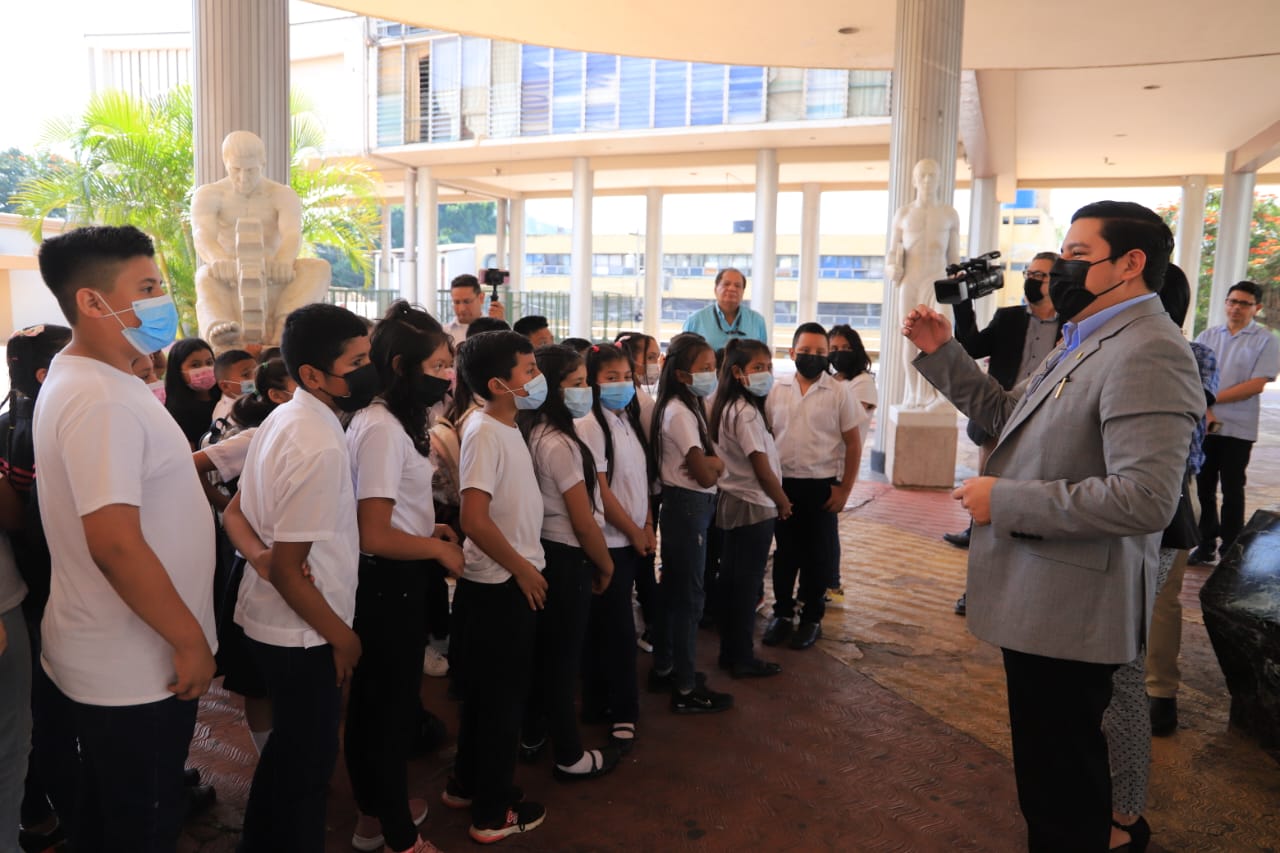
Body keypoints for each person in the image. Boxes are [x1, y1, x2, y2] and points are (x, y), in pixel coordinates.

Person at [903, 200, 1202, 852]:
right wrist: (944, 353)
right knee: (1048, 775)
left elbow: (1146, 497)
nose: (1059, 270)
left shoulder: (1149, 350)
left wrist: (1004, 499)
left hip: (1073, 609)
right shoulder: (1090, 337)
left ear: (1131, 263)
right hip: (1044, 600)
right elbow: (1010, 413)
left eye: (1077, 255)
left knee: (1064, 785)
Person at [33, 224, 218, 850]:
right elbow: (114, 543)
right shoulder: (100, 400)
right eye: (148, 287)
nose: (162, 300)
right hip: (139, 667)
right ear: (91, 302)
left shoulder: (93, 378)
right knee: (141, 824)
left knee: (115, 817)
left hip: (124, 653)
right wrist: (189, 638)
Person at [222, 303, 372, 852]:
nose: (367, 370)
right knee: (305, 772)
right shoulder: (319, 442)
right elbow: (290, 569)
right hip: (305, 633)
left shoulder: (285, 418)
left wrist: (260, 560)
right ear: (312, 375)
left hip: (273, 622)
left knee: (289, 761)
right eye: (356, 361)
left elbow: (234, 515)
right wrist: (344, 637)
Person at [1097, 264, 1215, 853]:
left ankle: (1126, 813)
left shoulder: (1165, 354)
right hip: (1118, 531)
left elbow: (1161, 473)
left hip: (1157, 527)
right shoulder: (1104, 348)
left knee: (1125, 671)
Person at [345, 305, 460, 853]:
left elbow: (392, 511)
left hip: (399, 577)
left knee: (382, 706)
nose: (446, 377)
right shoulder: (381, 429)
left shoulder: (395, 421)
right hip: (388, 583)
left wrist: (426, 524)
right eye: (438, 366)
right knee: (384, 714)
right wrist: (442, 555)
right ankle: (395, 834)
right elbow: (373, 533)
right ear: (401, 365)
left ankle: (375, 817)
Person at [449, 329, 547, 843]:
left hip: (505, 580)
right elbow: (475, 517)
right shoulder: (486, 430)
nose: (538, 378)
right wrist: (524, 570)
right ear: (497, 383)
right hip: (501, 586)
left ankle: (467, 784)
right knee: (501, 705)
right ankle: (491, 815)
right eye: (528, 370)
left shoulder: (504, 425)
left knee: (487, 699)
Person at [517, 344, 620, 780]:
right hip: (566, 556)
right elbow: (582, 520)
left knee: (547, 655)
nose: (585, 392)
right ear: (554, 391)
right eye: (576, 384)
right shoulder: (558, 443)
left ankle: (533, 733)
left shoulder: (534, 431)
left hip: (547, 551)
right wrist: (606, 564)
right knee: (562, 661)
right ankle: (570, 754)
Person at [944, 252, 1063, 615]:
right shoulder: (1009, 317)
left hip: (1048, 427)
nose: (1033, 280)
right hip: (1000, 422)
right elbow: (971, 348)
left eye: (1041, 275)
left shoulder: (1074, 326)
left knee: (1028, 509)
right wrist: (961, 300)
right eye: (1030, 273)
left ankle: (1026, 593)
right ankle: (977, 591)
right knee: (988, 504)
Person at [0, 324, 72, 852]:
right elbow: (26, 522)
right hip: (39, 591)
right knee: (37, 718)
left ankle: (35, 811)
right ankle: (47, 811)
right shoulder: (39, 429)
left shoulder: (12, 422)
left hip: (29, 590)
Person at [1146, 267, 1218, 738]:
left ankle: (1159, 694)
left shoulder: (1194, 355)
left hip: (1170, 488)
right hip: (1121, 485)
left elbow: (1198, 406)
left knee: (1161, 596)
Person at [763, 323, 864, 651]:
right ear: (792, 353)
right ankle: (781, 613)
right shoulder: (776, 389)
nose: (813, 358)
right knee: (785, 554)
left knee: (817, 555)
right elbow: (765, 435)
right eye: (805, 352)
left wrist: (845, 489)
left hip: (822, 487)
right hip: (783, 487)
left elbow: (853, 443)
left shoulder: (839, 392)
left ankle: (811, 618)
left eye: (821, 353)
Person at [647, 333, 733, 713]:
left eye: (714, 368)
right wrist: (717, 465)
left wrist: (713, 465)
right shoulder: (680, 413)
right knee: (688, 598)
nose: (711, 375)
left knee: (676, 591)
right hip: (688, 506)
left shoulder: (687, 404)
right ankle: (685, 687)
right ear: (682, 375)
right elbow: (704, 473)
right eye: (704, 369)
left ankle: (666, 665)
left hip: (687, 506)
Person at [578, 343, 654, 752]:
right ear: (592, 381)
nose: (622, 384)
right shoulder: (591, 424)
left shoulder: (625, 419)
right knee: (616, 630)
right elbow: (602, 492)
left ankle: (602, 703)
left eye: (626, 376)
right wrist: (633, 528)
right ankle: (621, 709)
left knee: (611, 626)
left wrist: (646, 523)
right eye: (611, 378)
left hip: (630, 537)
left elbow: (638, 481)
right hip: (608, 541)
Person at [191, 130, 330, 348]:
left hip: (273, 272)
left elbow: (292, 233)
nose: (243, 178)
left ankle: (286, 323)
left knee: (319, 268)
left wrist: (283, 260)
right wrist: (218, 258)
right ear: (225, 163)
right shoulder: (209, 194)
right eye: (235, 170)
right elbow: (202, 234)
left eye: (251, 170)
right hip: (231, 275)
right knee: (204, 276)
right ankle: (220, 327)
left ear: (263, 163)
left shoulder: (281, 194)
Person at [709, 338, 790, 678]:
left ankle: (732, 651)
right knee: (745, 585)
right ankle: (741, 657)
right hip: (753, 505)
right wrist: (782, 500)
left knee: (734, 582)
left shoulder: (729, 405)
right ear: (737, 372)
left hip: (737, 500)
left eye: (769, 367)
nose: (766, 374)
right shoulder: (742, 411)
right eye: (759, 368)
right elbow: (760, 464)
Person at [1189, 280, 1280, 565]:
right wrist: (1206, 408)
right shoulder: (1208, 335)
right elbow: (1194, 377)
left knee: (1232, 487)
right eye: (1232, 302)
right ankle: (1204, 542)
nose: (1236, 308)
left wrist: (1211, 399)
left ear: (1257, 308)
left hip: (1239, 427)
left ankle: (1231, 547)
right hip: (1207, 424)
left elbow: (1255, 384)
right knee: (1203, 485)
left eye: (1243, 303)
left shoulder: (1265, 340)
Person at [886, 158, 961, 410]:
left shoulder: (949, 215)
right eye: (923, 175)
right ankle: (913, 395)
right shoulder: (903, 214)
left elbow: (954, 259)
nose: (928, 180)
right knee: (909, 337)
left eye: (932, 175)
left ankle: (938, 394)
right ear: (915, 180)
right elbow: (891, 253)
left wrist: (958, 284)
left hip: (938, 281)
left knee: (942, 338)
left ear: (939, 180)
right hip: (911, 281)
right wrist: (891, 269)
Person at [681, 268, 768, 352]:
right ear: (715, 290)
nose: (732, 289)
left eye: (737, 286)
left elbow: (763, 358)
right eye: (726, 284)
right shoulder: (694, 321)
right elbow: (684, 359)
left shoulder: (757, 321)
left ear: (743, 292)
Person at [163, 337, 221, 449]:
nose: (205, 368)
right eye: (195, 365)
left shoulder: (225, 394)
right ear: (178, 371)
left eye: (209, 362)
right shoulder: (177, 410)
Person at [445, 274, 505, 344]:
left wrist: (501, 327)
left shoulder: (497, 329)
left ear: (481, 298)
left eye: (467, 302)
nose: (462, 309)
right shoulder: (444, 334)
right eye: (457, 302)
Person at [211, 348, 259, 424]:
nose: (255, 378)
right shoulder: (229, 415)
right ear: (225, 386)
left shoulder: (248, 400)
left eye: (256, 371)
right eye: (246, 375)